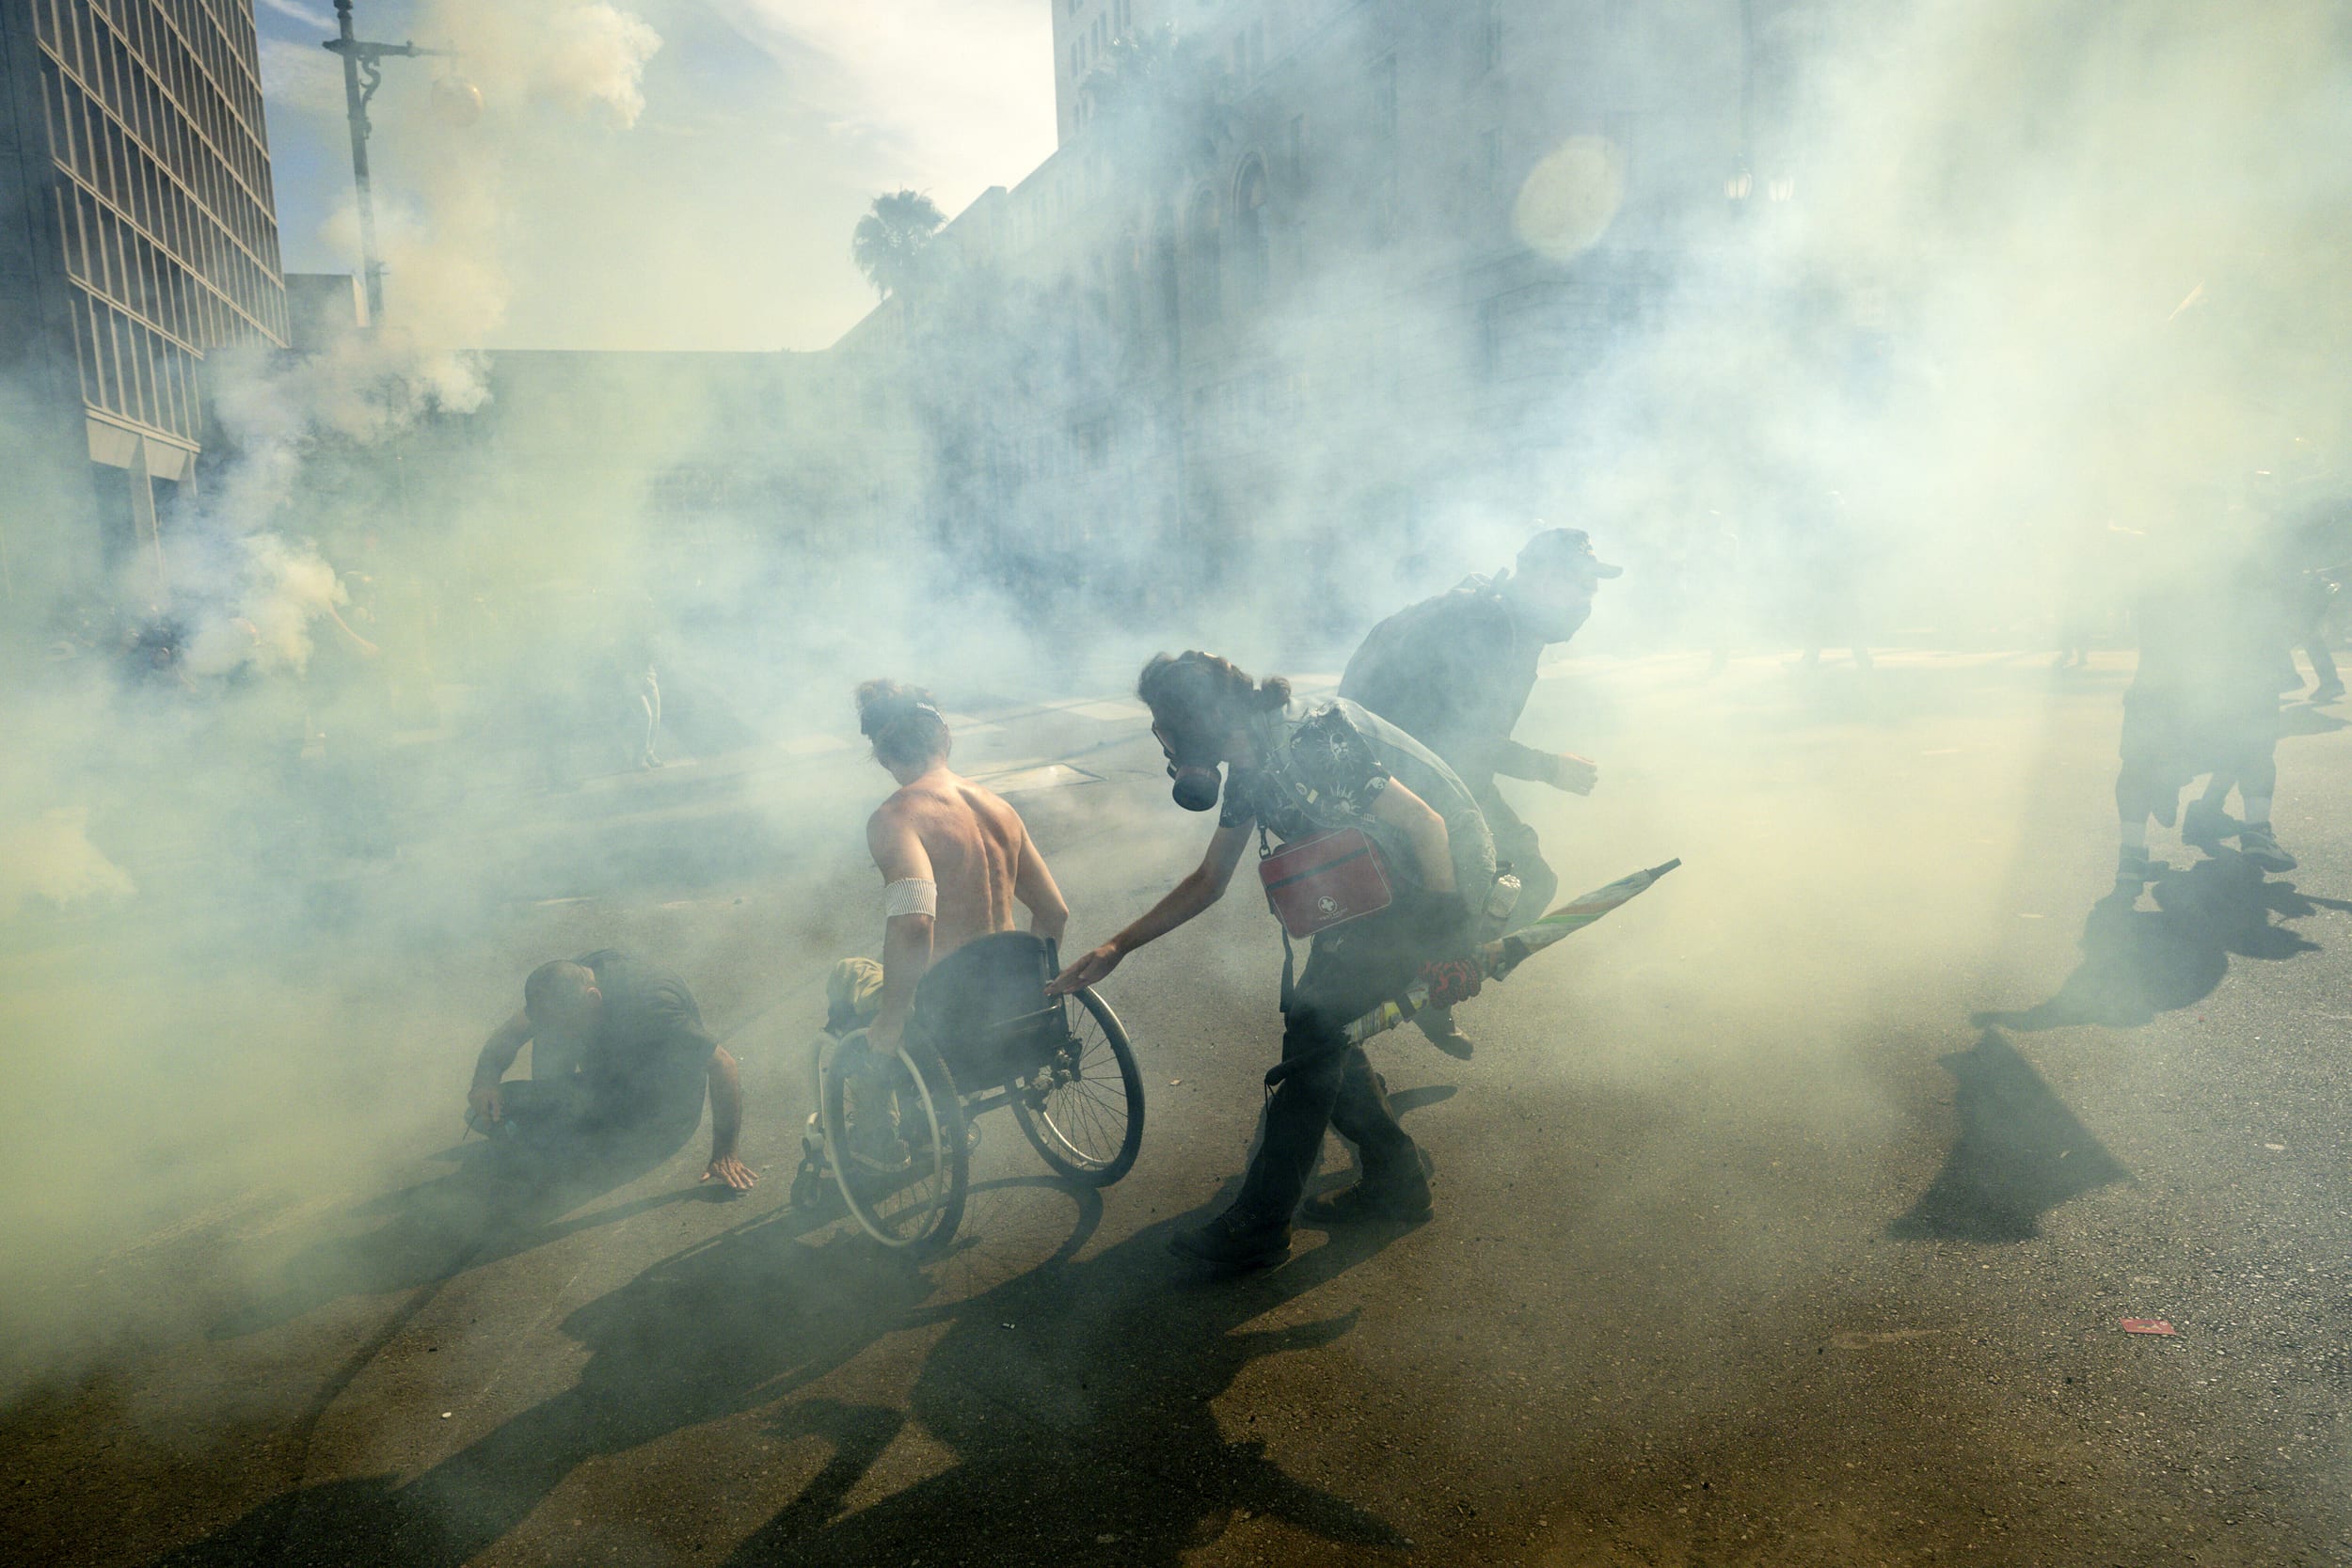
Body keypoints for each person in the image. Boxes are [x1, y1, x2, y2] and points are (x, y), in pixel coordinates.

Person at [1052, 652, 1496, 1272]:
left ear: (1195, 722)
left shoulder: (1313, 737)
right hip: (1380, 884)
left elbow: (1428, 824)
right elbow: (1209, 879)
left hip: (1440, 879)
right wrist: (1116, 946)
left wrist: (1451, 940)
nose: (1162, 741)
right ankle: (1397, 1178)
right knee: (1320, 1031)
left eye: (1163, 724)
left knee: (1315, 1036)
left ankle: (1261, 1223)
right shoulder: (1253, 763)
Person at [1337, 525, 1618, 1056]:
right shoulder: (1488, 626)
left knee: (1514, 878)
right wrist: (1547, 767)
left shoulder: (1504, 617)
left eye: (1592, 589)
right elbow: (1459, 738)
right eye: (1577, 585)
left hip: (1406, 769)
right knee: (1526, 880)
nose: (1586, 602)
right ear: (1536, 576)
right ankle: (1432, 978)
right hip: (1404, 778)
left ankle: (1433, 978)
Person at [852, 680, 1072, 1057]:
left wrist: (892, 1018)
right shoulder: (1000, 808)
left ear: (885, 757)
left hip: (948, 1011)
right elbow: (1054, 913)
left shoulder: (895, 818)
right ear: (945, 739)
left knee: (850, 974)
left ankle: (874, 1109)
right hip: (1010, 1003)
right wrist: (1033, 991)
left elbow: (914, 923)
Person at [468, 950, 755, 1190]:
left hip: (661, 1105)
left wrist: (725, 1152)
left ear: (593, 998)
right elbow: (511, 1033)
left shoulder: (652, 1005)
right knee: (495, 1107)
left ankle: (566, 1136)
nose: (560, 1033)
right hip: (608, 1077)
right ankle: (558, 1125)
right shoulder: (566, 985)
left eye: (564, 1023)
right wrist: (485, 1082)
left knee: (561, 1159)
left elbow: (724, 1066)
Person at [2115, 552, 2298, 882]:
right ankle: (2256, 830)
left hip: (2159, 681)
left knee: (2138, 762)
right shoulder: (2238, 546)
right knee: (2253, 746)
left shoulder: (2160, 551)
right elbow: (2269, 613)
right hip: (2228, 679)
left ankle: (2131, 856)